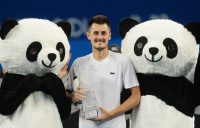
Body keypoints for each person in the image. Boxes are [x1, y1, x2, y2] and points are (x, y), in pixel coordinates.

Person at [67, 15, 141, 128]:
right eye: (96, 33)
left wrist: (110, 114)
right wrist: (74, 97)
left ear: (109, 35)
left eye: (103, 33)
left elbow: (136, 96)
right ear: (88, 35)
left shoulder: (123, 61)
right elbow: (68, 94)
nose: (100, 37)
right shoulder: (78, 63)